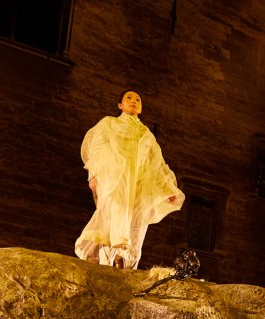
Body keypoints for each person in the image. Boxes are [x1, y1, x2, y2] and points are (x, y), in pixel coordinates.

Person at [75, 89, 185, 270]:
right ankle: (102, 266)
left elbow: (157, 164)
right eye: (129, 98)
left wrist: (168, 188)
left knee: (137, 224)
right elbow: (97, 147)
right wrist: (93, 174)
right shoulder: (109, 124)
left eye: (138, 100)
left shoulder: (146, 134)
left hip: (139, 185)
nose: (133, 101)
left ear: (141, 108)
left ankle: (126, 268)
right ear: (120, 105)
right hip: (116, 181)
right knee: (111, 217)